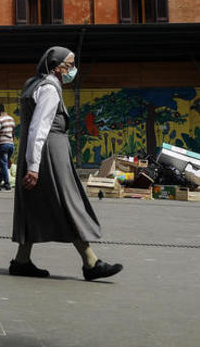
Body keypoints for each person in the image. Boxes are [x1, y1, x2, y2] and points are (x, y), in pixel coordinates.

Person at [10, 46, 123, 281]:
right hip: (49, 153)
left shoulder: (34, 83)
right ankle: (91, 262)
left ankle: (22, 260)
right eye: (69, 65)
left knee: (33, 203)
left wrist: (30, 161)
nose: (73, 69)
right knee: (68, 202)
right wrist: (34, 166)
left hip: (39, 152)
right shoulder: (50, 88)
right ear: (56, 67)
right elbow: (38, 127)